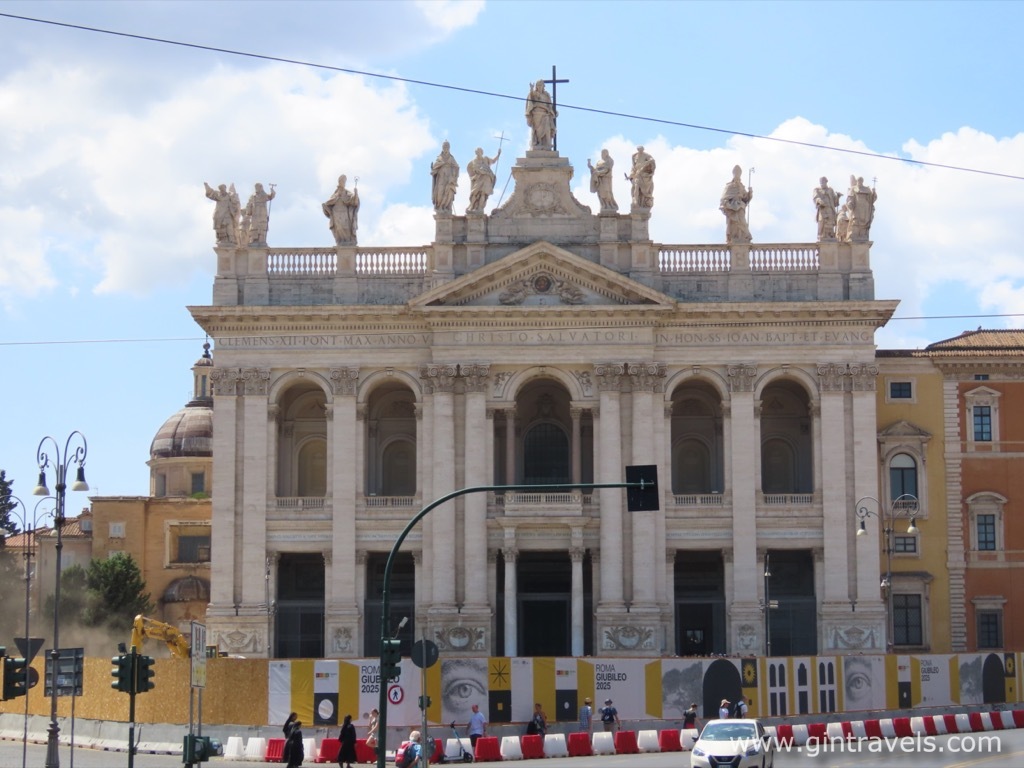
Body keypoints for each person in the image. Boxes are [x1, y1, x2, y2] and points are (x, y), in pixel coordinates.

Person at [719, 165, 753, 243]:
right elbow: (723, 198)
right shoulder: (729, 186)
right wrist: (727, 204)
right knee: (734, 224)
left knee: (742, 221)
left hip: (740, 206)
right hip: (732, 208)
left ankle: (744, 236)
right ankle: (737, 237)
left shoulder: (741, 186)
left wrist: (750, 193)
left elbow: (746, 199)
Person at [323, 174, 359, 245]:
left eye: (344, 181)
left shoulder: (347, 192)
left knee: (346, 227)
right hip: (336, 213)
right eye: (342, 181)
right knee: (339, 228)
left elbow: (353, 201)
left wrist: (356, 194)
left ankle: (348, 242)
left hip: (344, 213)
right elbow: (331, 201)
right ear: (339, 181)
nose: (343, 183)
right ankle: (340, 241)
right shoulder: (336, 193)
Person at [204, 181, 240, 246]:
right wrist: (206, 186)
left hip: (228, 213)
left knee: (229, 226)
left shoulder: (229, 195)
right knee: (221, 227)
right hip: (220, 213)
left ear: (225, 188)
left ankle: (231, 240)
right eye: (221, 189)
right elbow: (210, 193)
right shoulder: (218, 195)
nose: (222, 190)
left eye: (223, 188)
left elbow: (235, 201)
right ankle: (222, 240)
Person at [466, 147, 501, 214]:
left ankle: (480, 208)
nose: (478, 153)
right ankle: (472, 206)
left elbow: (493, 161)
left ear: (482, 152)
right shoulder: (474, 161)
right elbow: (470, 169)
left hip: (487, 178)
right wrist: (474, 175)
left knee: (483, 194)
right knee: (474, 193)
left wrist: (498, 154)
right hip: (479, 178)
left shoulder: (485, 158)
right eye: (477, 152)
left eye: (479, 152)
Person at [525, 79, 556, 150]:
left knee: (547, 128)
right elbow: (530, 98)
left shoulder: (546, 95)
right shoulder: (534, 93)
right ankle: (538, 143)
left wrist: (551, 111)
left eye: (541, 85)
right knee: (537, 130)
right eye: (538, 85)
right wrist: (531, 89)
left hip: (546, 114)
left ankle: (547, 144)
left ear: (543, 86)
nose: (539, 86)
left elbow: (550, 105)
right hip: (536, 114)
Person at [430, 141, 460, 213]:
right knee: (440, 193)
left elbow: (457, 168)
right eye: (444, 146)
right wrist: (434, 169)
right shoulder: (439, 158)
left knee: (449, 193)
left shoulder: (451, 158)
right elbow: (435, 168)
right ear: (442, 147)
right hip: (441, 178)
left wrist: (454, 177)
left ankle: (446, 207)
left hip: (449, 179)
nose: (445, 148)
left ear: (449, 148)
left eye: (447, 146)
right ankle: (439, 207)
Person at [847, 175, 877, 241]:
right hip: (856, 208)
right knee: (855, 220)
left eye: (861, 181)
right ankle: (854, 234)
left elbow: (871, 199)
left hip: (865, 208)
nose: (860, 182)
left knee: (864, 221)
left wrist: (874, 193)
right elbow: (851, 197)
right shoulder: (853, 188)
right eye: (858, 181)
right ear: (857, 181)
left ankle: (863, 235)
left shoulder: (867, 189)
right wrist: (850, 203)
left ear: (862, 181)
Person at [812, 176, 839, 241]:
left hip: (830, 209)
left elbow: (835, 202)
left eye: (823, 182)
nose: (822, 183)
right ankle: (822, 236)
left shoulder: (830, 190)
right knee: (822, 222)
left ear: (826, 182)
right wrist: (819, 200)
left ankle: (830, 236)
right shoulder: (817, 189)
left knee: (830, 223)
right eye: (821, 182)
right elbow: (815, 197)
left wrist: (838, 196)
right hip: (822, 209)